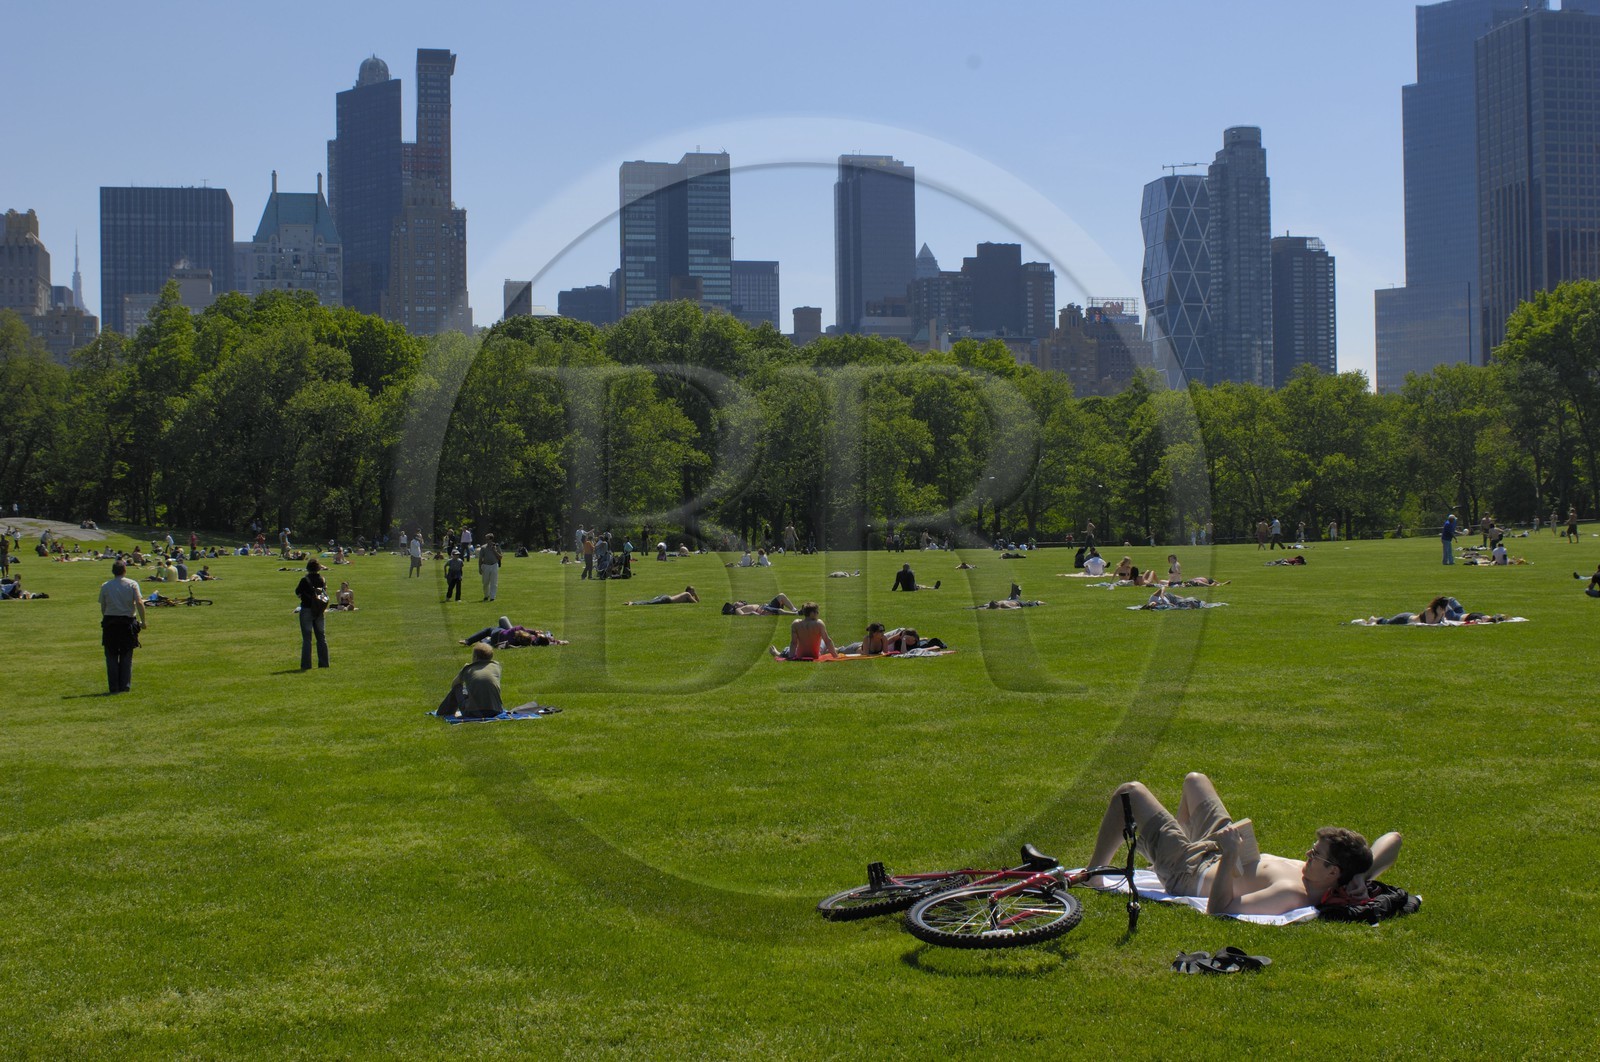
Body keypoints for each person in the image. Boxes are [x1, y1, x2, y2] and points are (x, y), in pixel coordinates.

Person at [1086, 773, 1402, 916]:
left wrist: (1229, 856)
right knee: (1195, 781)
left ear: (1333, 872)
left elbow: (1219, 909)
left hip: (1188, 872)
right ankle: (1164, 852)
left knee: (1129, 792)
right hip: (1214, 853)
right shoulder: (1342, 874)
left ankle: (1095, 874)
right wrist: (1364, 874)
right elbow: (1394, 840)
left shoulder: (1291, 893)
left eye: (1316, 855)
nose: (1308, 854)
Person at [99, 559, 147, 694]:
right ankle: (125, 686)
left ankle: (113, 687)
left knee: (111, 656)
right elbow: (139, 602)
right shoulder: (132, 584)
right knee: (126, 656)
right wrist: (143, 621)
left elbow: (103, 606)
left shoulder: (105, 586)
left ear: (113, 572)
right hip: (127, 623)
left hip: (110, 623)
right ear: (124, 570)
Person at [436, 642, 504, 719]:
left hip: (472, 713)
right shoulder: (496, 666)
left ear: (475, 657)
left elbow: (454, 685)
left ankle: (443, 712)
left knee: (457, 688)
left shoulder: (468, 669)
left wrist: (463, 670)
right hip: (496, 711)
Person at [295, 558, 331, 670]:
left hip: (306, 609)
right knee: (321, 638)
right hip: (319, 610)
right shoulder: (322, 579)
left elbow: (298, 592)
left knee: (307, 639)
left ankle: (306, 665)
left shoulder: (305, 580)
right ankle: (324, 663)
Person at [769, 601, 836, 660]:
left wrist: (791, 658)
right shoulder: (819, 623)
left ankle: (779, 654)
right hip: (815, 655)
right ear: (812, 613)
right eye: (817, 612)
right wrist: (835, 656)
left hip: (800, 654)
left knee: (787, 649)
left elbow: (793, 643)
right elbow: (827, 641)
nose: (818, 613)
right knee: (824, 642)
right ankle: (836, 650)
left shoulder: (796, 624)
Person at [461, 615, 565, 648]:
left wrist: (534, 631)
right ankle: (484, 641)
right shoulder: (528, 643)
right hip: (495, 643)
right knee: (497, 631)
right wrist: (558, 642)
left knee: (499, 622)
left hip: (497, 634)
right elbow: (546, 641)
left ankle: (468, 641)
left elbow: (526, 630)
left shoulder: (517, 629)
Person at [721, 593, 799, 616]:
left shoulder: (743, 607)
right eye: (739, 601)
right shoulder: (738, 609)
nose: (741, 601)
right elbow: (742, 615)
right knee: (778, 610)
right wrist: (753, 613)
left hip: (766, 606)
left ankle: (794, 609)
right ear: (735, 605)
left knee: (781, 595)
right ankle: (796, 613)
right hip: (763, 610)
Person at [478, 534, 503, 601]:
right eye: (486, 539)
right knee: (485, 582)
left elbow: (500, 557)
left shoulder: (496, 547)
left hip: (494, 565)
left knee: (494, 582)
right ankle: (486, 595)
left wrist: (494, 550)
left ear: (491, 539)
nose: (486, 540)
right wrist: (479, 568)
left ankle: (492, 597)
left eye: (487, 539)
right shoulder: (483, 547)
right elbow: (480, 559)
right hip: (485, 565)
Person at [626, 585, 698, 605]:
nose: (694, 592)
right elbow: (696, 602)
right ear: (689, 591)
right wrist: (695, 595)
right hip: (667, 599)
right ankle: (633, 603)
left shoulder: (686, 595)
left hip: (666, 596)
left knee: (650, 601)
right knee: (650, 603)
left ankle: (633, 602)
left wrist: (695, 594)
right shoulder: (687, 594)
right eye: (693, 591)